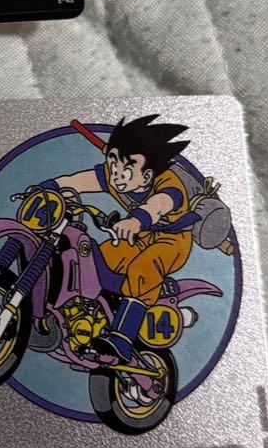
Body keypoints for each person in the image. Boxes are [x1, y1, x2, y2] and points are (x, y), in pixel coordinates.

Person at [48, 115, 193, 361]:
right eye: (113, 164)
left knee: (143, 267)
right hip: (137, 235)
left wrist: (137, 220)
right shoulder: (113, 175)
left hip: (172, 240)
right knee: (100, 258)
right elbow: (77, 182)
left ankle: (122, 339)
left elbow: (159, 204)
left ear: (146, 175)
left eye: (126, 170)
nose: (116, 175)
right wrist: (49, 187)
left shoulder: (170, 184)